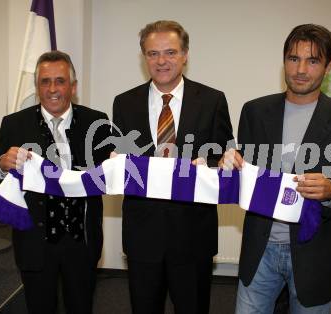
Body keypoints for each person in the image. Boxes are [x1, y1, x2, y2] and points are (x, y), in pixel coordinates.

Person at [220, 24, 331, 313]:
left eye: (313, 60)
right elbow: (249, 174)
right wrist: (231, 167)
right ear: (283, 61)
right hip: (260, 247)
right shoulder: (254, 111)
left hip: (315, 253)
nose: (301, 69)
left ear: (328, 66)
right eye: (294, 59)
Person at [112, 20, 234, 314]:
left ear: (185, 54)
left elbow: (225, 155)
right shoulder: (124, 103)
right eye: (153, 53)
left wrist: (212, 163)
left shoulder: (212, 100)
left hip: (193, 234)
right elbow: (121, 159)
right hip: (143, 234)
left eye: (170, 52)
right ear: (144, 58)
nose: (161, 61)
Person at [0, 50, 112, 314]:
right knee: (39, 307)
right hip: (35, 240)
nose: (52, 89)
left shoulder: (97, 122)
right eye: (45, 81)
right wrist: (1, 165)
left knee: (81, 306)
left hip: (81, 239)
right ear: (37, 86)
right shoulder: (14, 124)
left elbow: (109, 173)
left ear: (73, 86)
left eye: (60, 80)